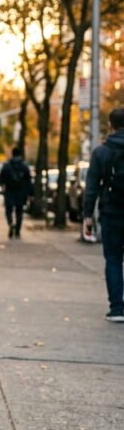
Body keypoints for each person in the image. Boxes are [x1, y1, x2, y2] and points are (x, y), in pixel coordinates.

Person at [83, 108, 124, 323]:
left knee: (114, 259)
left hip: (111, 212)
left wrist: (87, 214)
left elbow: (91, 186)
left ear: (111, 125)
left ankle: (117, 308)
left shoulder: (101, 152)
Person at [0, 146, 31, 239]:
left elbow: (1, 179)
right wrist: (29, 193)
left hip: (9, 191)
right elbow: (28, 180)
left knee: (8, 210)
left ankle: (11, 223)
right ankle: (17, 230)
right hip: (21, 192)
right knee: (19, 211)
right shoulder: (24, 166)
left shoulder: (7, 166)